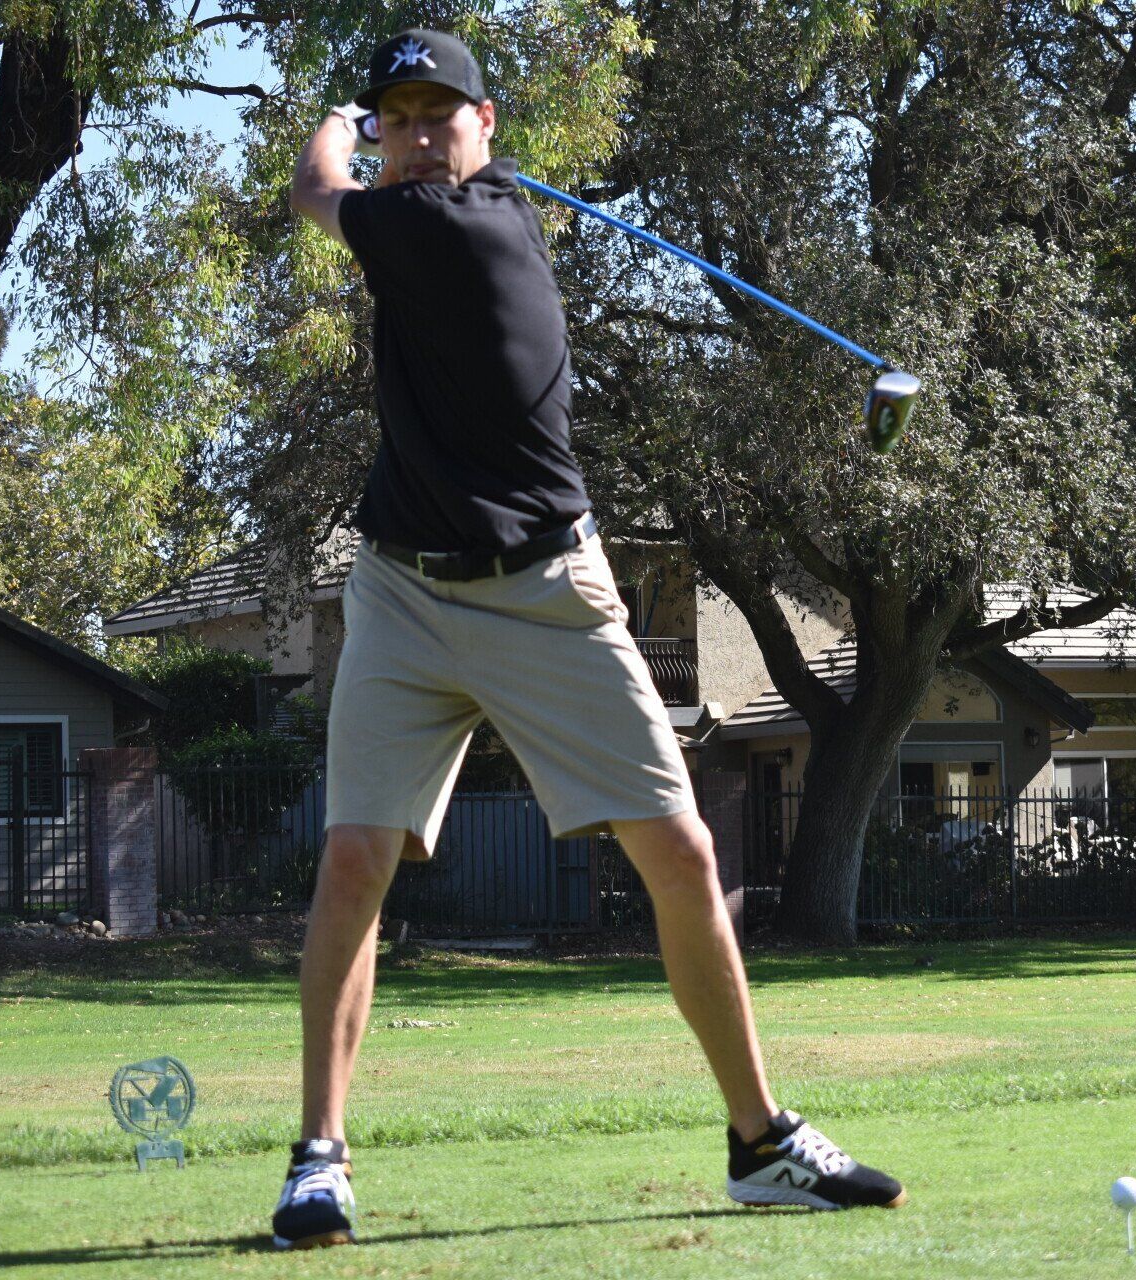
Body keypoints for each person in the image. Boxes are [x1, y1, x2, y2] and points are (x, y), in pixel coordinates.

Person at [274, 27, 904, 1250]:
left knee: (676, 845)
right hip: (405, 588)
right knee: (354, 859)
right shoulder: (465, 211)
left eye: (432, 116)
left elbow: (313, 194)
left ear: (487, 122)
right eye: (393, 118)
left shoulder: (452, 229)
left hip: (544, 591)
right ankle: (318, 1158)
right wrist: (396, 157)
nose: (411, 134)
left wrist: (337, 132)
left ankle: (760, 1140)